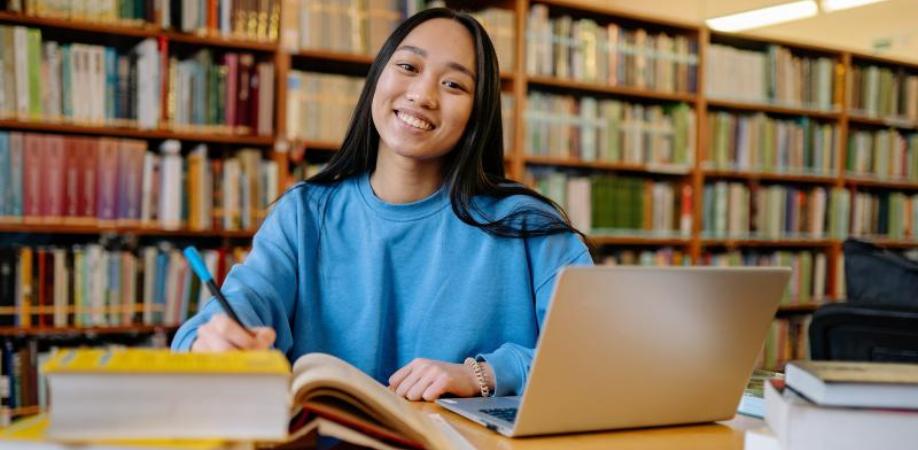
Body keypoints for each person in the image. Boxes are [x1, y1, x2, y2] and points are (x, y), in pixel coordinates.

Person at [171, 7, 592, 402]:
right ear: (377, 79)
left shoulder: (529, 226)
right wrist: (212, 338)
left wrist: (483, 374)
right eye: (408, 67)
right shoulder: (303, 215)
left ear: (477, 114)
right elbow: (246, 300)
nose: (423, 95)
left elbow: (594, 357)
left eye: (454, 84)